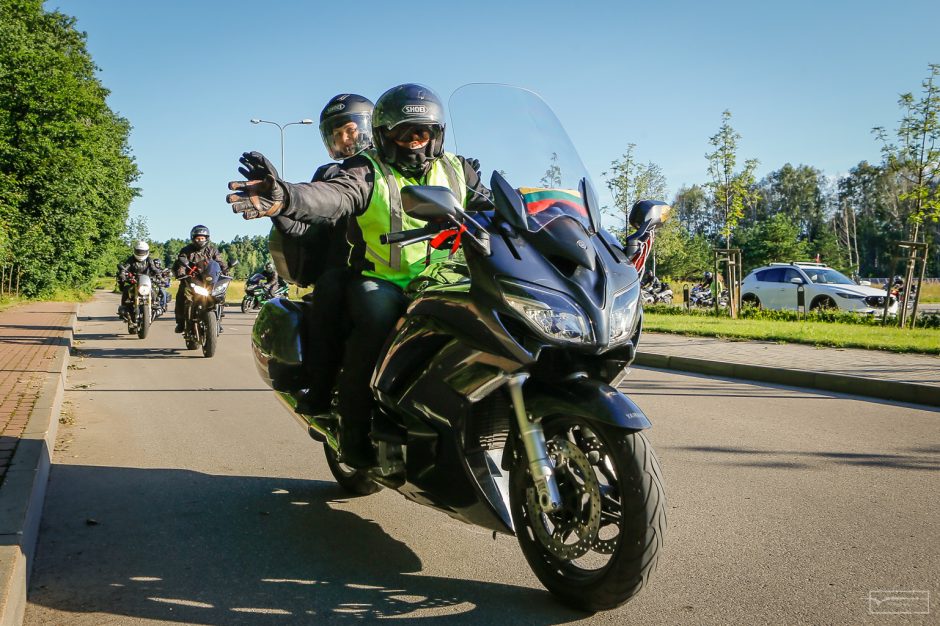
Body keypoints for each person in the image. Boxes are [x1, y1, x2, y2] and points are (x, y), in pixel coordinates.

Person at [227, 83, 491, 467]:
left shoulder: (457, 168)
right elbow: (331, 196)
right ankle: (353, 431)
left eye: (422, 133)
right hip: (384, 281)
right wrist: (285, 197)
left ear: (437, 134)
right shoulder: (365, 171)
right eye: (404, 133)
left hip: (445, 279)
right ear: (385, 135)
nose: (414, 142)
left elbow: (498, 205)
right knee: (376, 321)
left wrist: (549, 214)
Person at [172, 225, 229, 333]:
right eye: (198, 238)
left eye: (202, 238)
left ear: (207, 238)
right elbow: (181, 264)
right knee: (182, 295)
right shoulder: (186, 250)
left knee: (220, 295)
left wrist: (226, 270)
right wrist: (181, 273)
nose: (200, 240)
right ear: (193, 238)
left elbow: (219, 262)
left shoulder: (212, 250)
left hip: (209, 280)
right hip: (192, 279)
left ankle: (217, 321)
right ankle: (180, 322)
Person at [116, 241, 163, 320]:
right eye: (138, 251)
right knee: (126, 289)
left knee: (154, 289)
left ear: (147, 252)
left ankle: (155, 304)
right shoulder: (131, 259)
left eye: (142, 252)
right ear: (135, 250)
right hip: (134, 281)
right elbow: (126, 267)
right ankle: (124, 308)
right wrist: (123, 273)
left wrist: (159, 275)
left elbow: (154, 269)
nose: (140, 253)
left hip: (146, 281)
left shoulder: (149, 260)